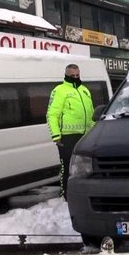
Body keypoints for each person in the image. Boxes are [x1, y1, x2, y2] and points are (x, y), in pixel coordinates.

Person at [47, 64, 95, 200]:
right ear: (66, 75)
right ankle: (66, 195)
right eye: (72, 75)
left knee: (85, 166)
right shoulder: (59, 90)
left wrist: (94, 132)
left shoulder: (85, 90)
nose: (75, 77)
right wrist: (56, 135)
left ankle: (83, 192)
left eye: (77, 75)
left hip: (85, 135)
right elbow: (51, 114)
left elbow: (91, 113)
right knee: (67, 166)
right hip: (67, 136)